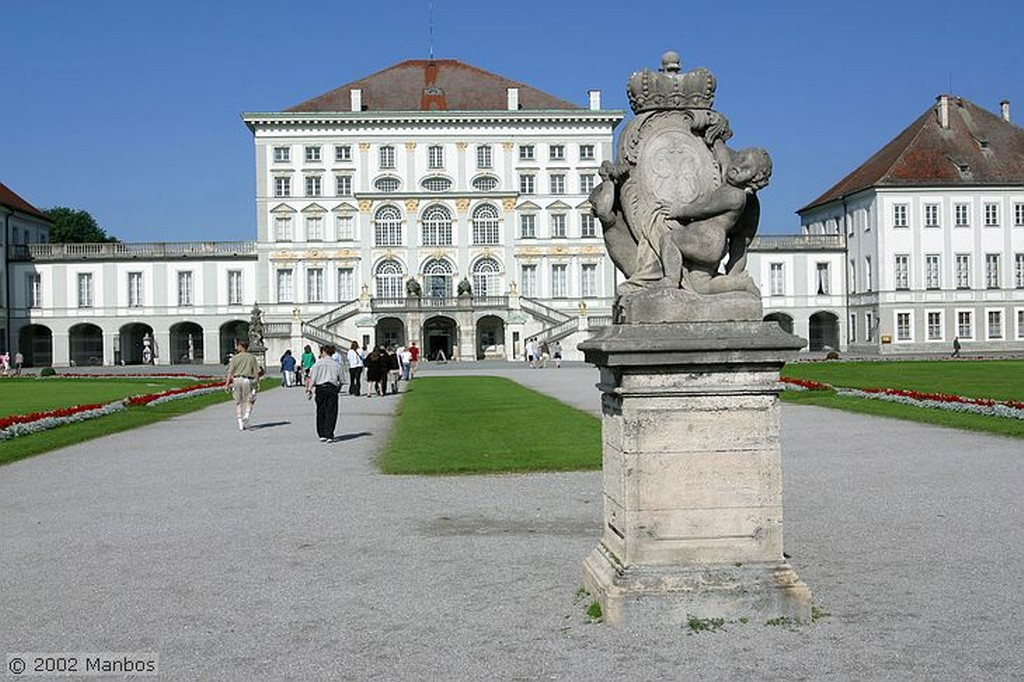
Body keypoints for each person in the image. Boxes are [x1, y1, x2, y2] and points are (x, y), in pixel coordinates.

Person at [659, 147, 772, 293]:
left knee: (669, 239)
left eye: (746, 168)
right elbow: (723, 155)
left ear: (754, 179)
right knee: (700, 285)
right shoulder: (731, 183)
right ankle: (739, 284)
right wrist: (716, 141)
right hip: (715, 243)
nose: (738, 166)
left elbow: (703, 208)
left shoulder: (735, 196)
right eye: (740, 158)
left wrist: (678, 210)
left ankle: (670, 280)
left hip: (708, 239)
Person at [305, 344, 343, 442]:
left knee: (320, 410)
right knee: (331, 412)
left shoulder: (317, 364)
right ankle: (329, 434)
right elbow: (341, 380)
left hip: (320, 388)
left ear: (324, 352)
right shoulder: (336, 364)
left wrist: (309, 390)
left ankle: (321, 433)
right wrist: (338, 388)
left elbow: (312, 379)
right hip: (331, 388)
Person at [224, 339, 262, 430]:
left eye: (238, 346)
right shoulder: (251, 357)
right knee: (250, 400)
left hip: (236, 380)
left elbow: (230, 372)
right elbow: (256, 371)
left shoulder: (235, 358)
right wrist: (257, 381)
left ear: (241, 347)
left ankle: (240, 422)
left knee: (238, 402)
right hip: (247, 380)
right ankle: (247, 415)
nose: (237, 347)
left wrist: (227, 383)